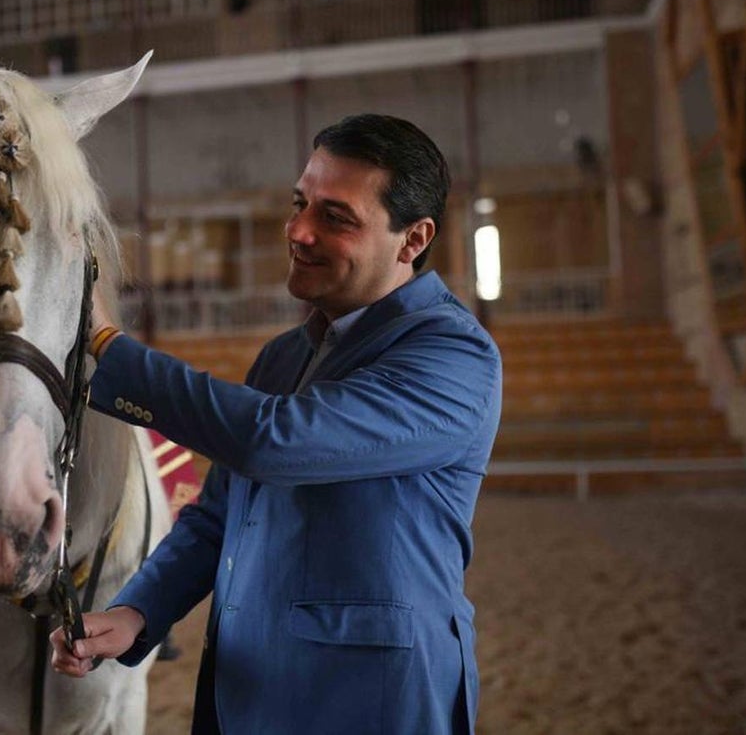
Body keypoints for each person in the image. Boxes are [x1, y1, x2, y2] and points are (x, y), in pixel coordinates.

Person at [51, 114, 503, 734]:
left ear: (413, 239)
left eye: (335, 217)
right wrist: (138, 610)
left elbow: (272, 441)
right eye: (299, 204)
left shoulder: (453, 356)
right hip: (242, 691)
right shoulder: (283, 356)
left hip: (370, 702)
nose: (298, 232)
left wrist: (109, 345)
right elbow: (218, 517)